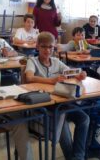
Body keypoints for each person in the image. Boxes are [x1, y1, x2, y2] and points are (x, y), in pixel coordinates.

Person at [25, 32, 89, 160]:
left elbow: (71, 72)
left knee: (84, 118)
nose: (47, 50)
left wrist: (80, 74)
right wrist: (51, 80)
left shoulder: (56, 61)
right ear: (37, 47)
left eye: (51, 47)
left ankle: (78, 156)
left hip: (60, 102)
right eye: (44, 47)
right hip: (44, 106)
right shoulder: (32, 61)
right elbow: (29, 77)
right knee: (62, 120)